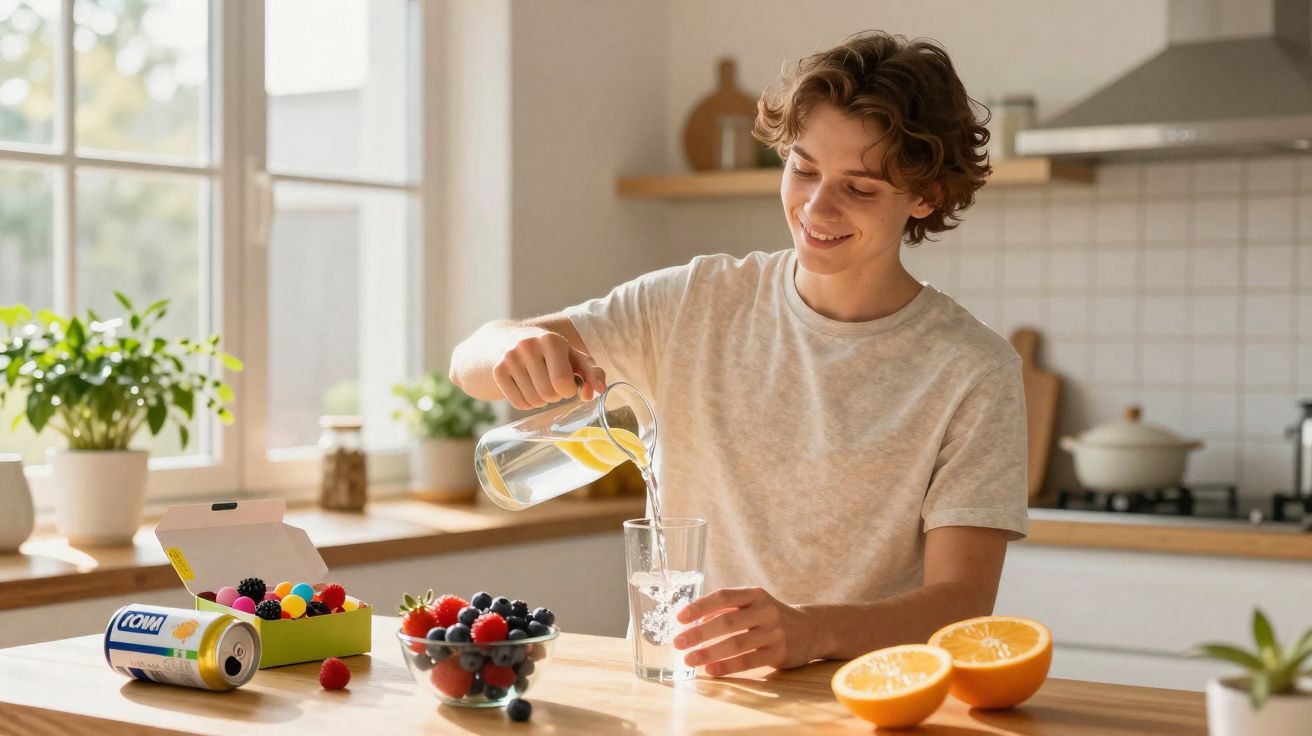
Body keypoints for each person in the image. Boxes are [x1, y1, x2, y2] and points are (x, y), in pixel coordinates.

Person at [449, 30, 1026, 677]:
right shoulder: (695, 301)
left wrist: (811, 629)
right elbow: (468, 361)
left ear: (925, 197)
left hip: (865, 704)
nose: (816, 205)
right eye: (803, 167)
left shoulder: (974, 369)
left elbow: (963, 606)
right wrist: (514, 346)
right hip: (682, 694)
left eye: (859, 187)